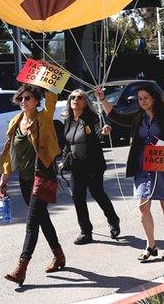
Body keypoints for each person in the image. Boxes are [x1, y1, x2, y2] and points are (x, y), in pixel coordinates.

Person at [94, 84, 164, 261]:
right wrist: (102, 99)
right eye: (140, 98)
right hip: (142, 167)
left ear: (154, 98)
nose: (143, 101)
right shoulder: (138, 116)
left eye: (146, 97)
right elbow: (115, 116)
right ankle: (151, 245)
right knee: (143, 207)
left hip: (163, 166)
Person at [0, 85, 65, 286]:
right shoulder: (16, 121)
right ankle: (59, 255)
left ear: (37, 100)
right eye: (21, 98)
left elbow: (52, 98)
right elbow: (10, 152)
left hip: (42, 176)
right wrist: (4, 177)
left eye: (28, 98)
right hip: (25, 179)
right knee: (42, 219)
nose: (23, 101)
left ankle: (21, 267)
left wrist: (47, 83)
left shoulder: (43, 118)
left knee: (32, 222)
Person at [61, 89, 120, 244]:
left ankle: (113, 220)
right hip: (76, 165)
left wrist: (105, 131)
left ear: (85, 102)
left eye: (80, 98)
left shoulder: (92, 118)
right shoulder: (68, 120)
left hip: (93, 164)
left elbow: (98, 133)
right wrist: (63, 160)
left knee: (97, 193)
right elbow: (68, 143)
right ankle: (86, 232)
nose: (75, 100)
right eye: (73, 97)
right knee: (77, 197)